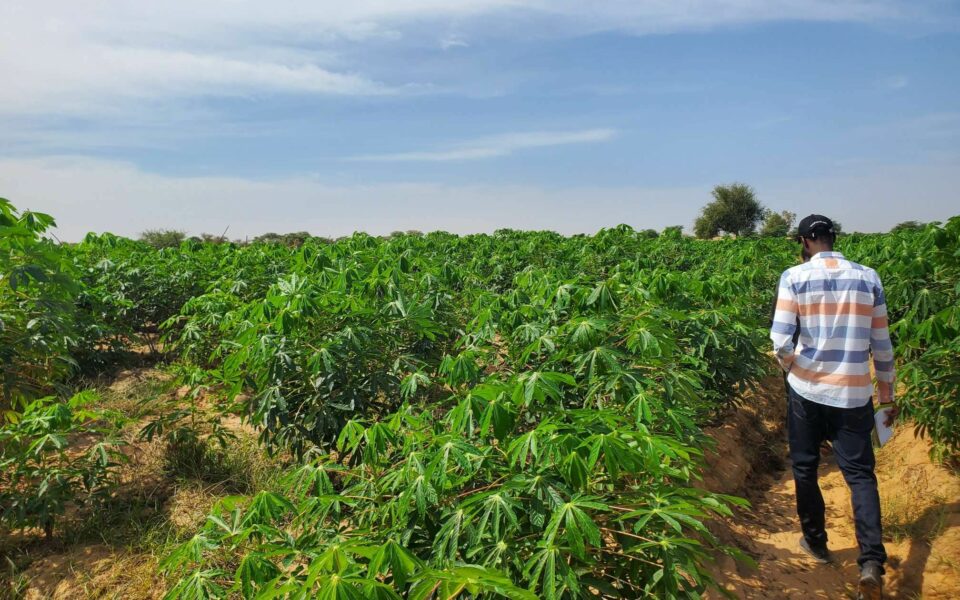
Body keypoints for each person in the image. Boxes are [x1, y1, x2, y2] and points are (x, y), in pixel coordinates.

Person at [770, 215, 899, 600]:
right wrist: (888, 396)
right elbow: (882, 344)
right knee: (860, 475)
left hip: (807, 389)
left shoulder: (793, 276)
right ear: (831, 238)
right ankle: (872, 562)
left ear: (805, 241)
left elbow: (779, 340)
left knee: (806, 467)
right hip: (855, 392)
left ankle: (816, 542)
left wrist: (795, 368)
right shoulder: (868, 277)